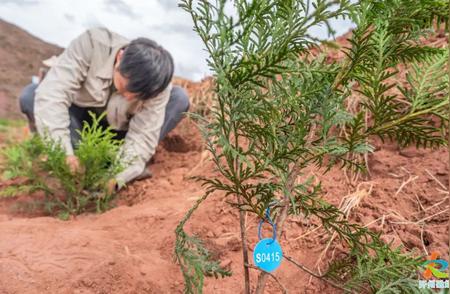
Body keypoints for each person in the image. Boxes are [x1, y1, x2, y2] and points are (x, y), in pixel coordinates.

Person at [19, 27, 189, 192]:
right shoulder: (93, 43)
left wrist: (117, 176)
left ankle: (122, 164)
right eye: (126, 88)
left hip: (120, 135)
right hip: (80, 127)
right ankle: (74, 157)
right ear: (120, 58)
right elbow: (53, 95)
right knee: (30, 95)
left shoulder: (158, 85)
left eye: (138, 96)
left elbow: (143, 136)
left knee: (179, 98)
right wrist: (64, 154)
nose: (129, 98)